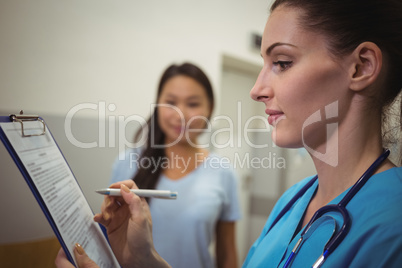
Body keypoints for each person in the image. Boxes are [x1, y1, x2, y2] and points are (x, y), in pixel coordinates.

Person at [56, 0, 402, 267]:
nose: (257, 89)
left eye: (281, 63)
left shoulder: (393, 225)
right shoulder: (293, 202)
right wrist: (143, 262)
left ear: (361, 67)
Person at [111, 62, 240, 268]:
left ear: (210, 108)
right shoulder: (126, 164)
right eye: (170, 102)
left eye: (193, 103)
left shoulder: (223, 173)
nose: (180, 114)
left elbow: (227, 254)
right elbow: (112, 238)